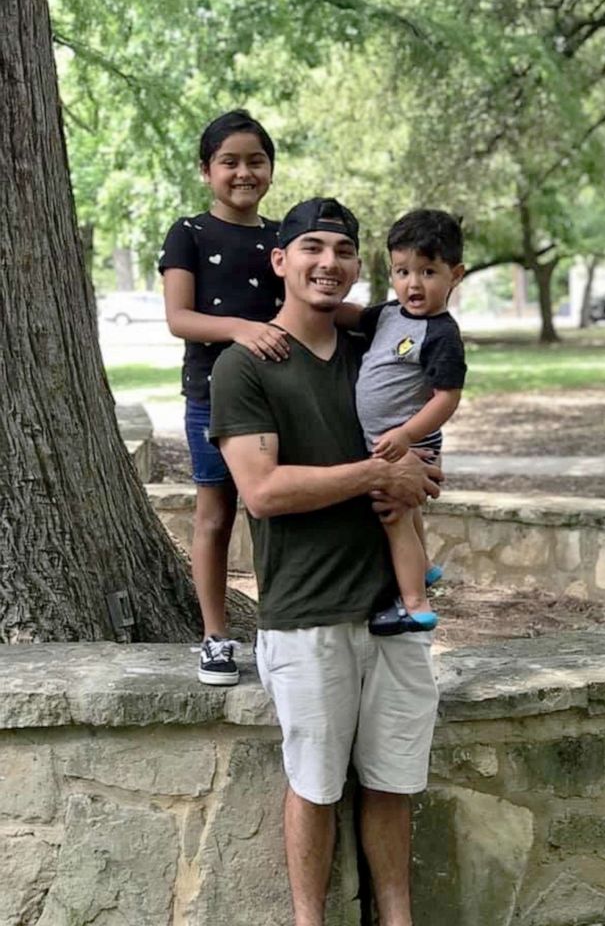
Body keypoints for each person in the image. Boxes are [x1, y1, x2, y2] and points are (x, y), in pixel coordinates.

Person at [209, 196, 442, 926]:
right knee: (314, 785)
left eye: (343, 251)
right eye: (311, 247)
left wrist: (416, 472)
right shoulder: (244, 369)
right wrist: (376, 476)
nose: (328, 263)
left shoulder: (376, 359)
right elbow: (264, 490)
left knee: (392, 783)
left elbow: (421, 458)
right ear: (280, 261)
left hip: (392, 616)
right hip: (307, 616)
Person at [159, 109, 289, 686]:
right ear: (206, 170)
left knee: (275, 512)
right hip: (213, 399)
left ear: (271, 169)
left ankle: (281, 628)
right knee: (214, 517)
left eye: (255, 161)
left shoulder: (282, 237)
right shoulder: (188, 233)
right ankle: (215, 637)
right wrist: (241, 328)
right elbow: (179, 318)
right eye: (229, 162)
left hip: (280, 397)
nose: (243, 173)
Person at [351, 209, 466, 632]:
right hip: (385, 441)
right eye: (402, 271)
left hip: (409, 443)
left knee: (394, 515)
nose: (413, 284)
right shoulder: (388, 315)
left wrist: (406, 434)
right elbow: (349, 317)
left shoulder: (441, 334)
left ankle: (415, 604)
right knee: (408, 512)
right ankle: (427, 565)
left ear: (455, 274)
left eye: (427, 272)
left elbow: (446, 398)